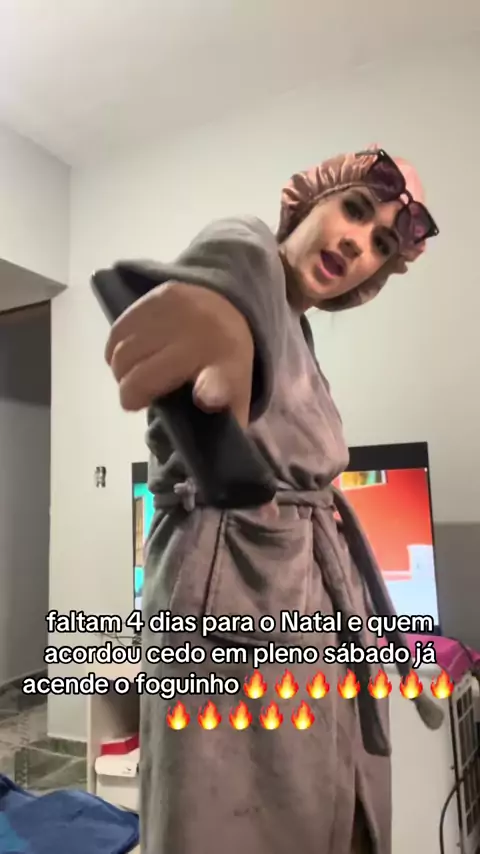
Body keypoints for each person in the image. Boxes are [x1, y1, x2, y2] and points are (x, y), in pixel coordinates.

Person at [105, 146, 442, 854]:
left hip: (307, 623)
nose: (358, 243)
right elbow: (227, 285)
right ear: (311, 202)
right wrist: (215, 328)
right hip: (234, 629)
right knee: (231, 824)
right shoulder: (248, 249)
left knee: (333, 816)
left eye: (382, 243)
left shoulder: (302, 335)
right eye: (354, 209)